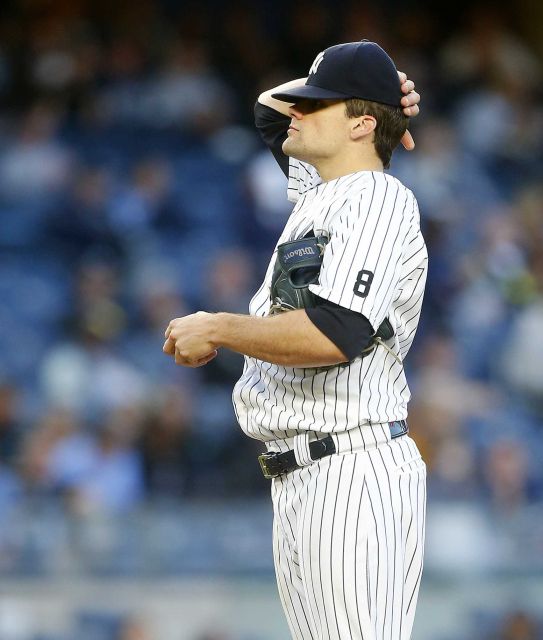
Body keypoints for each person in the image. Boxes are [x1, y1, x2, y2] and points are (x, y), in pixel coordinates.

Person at [164, 40, 426, 640]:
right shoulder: (320, 194)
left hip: (352, 470)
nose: (296, 111)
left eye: (317, 103)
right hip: (306, 475)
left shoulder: (378, 198)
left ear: (361, 125)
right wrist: (382, 90)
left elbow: (340, 331)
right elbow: (265, 110)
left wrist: (222, 327)